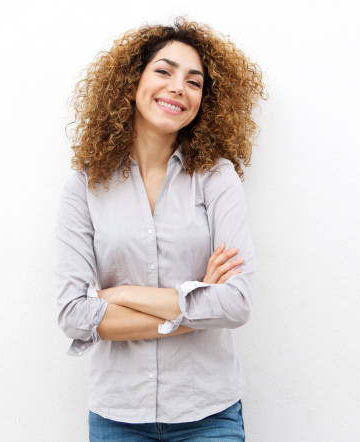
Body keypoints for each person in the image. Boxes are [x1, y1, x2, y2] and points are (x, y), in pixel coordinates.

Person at [55, 17, 266, 441]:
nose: (178, 88)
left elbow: (236, 303)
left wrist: (119, 296)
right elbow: (74, 314)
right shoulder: (85, 186)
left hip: (208, 413)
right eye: (164, 71)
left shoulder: (216, 177)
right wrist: (192, 309)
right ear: (133, 81)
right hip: (118, 416)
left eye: (194, 82)